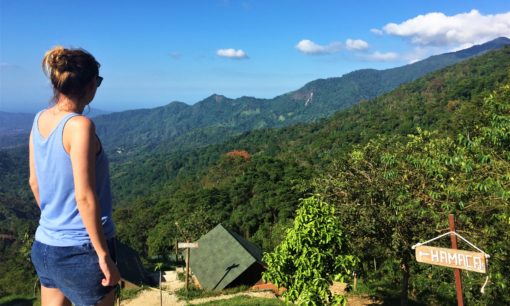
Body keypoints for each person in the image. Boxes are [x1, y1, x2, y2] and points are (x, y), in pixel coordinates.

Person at [29, 46, 120, 306]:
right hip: (83, 250)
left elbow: (34, 182)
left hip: (46, 246)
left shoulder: (39, 119)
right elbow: (85, 196)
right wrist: (103, 255)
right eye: (98, 81)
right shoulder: (80, 126)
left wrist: (56, 221)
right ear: (91, 84)